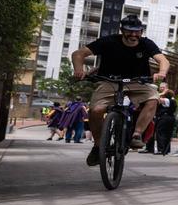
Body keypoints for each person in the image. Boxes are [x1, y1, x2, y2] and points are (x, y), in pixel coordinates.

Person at [71, 14, 169, 165]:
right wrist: (79, 70)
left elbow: (162, 60)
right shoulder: (109, 41)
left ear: (141, 32)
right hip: (109, 81)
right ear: (122, 30)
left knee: (153, 99)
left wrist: (161, 73)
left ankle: (136, 135)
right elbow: (78, 54)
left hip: (138, 82)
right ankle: (98, 146)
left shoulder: (146, 44)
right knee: (95, 110)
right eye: (130, 31)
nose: (134, 35)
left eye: (137, 31)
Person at [152, 82, 177, 155]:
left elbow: (156, 98)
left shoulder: (166, 100)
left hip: (165, 118)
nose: (161, 89)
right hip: (170, 118)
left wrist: (161, 94)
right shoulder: (172, 100)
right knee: (167, 134)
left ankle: (161, 149)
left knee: (160, 133)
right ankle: (166, 150)